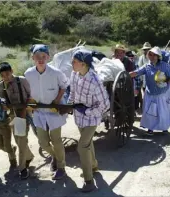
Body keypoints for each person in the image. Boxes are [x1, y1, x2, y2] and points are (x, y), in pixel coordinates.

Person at [24, 44, 69, 180]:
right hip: (39, 112)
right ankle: (55, 156)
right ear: (33, 58)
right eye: (37, 57)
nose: (40, 59)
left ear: (48, 57)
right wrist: (31, 104)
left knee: (57, 140)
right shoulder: (28, 73)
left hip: (54, 111)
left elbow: (64, 86)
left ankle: (61, 167)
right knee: (43, 143)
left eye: (43, 56)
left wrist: (57, 100)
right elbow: (28, 92)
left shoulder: (56, 72)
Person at [68, 49, 110, 192]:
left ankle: (89, 181)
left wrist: (86, 111)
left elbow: (105, 105)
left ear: (83, 64)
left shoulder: (95, 81)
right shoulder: (74, 74)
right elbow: (72, 92)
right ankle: (93, 166)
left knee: (82, 147)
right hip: (79, 118)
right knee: (88, 143)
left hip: (92, 118)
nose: (71, 64)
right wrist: (70, 104)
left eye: (74, 61)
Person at [129, 46, 170, 134]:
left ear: (158, 56)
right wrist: (126, 74)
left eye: (154, 55)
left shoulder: (165, 66)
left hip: (162, 93)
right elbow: (136, 72)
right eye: (150, 55)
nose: (152, 57)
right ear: (148, 56)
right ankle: (150, 128)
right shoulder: (147, 66)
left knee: (162, 111)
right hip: (150, 93)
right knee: (151, 111)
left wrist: (166, 81)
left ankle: (164, 128)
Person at [0, 62, 34, 179]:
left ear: (12, 71)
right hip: (13, 115)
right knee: (18, 140)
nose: (6, 77)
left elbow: (31, 95)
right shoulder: (2, 85)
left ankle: (22, 168)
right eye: (3, 75)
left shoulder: (21, 80)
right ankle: (29, 156)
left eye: (7, 74)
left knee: (21, 140)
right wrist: (4, 104)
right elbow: (3, 99)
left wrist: (25, 109)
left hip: (25, 113)